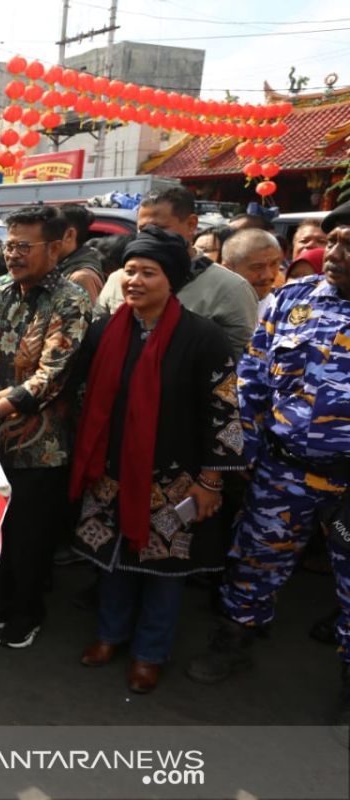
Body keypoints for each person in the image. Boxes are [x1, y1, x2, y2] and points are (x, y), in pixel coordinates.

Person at [186, 201, 350, 726]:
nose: (334, 254)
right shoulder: (291, 301)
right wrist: (243, 454)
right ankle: (235, 637)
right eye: (335, 241)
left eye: (349, 245)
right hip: (283, 471)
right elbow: (252, 383)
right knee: (257, 559)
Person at [71, 227, 242, 694]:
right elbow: (77, 389)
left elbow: (224, 413)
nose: (135, 281)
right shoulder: (105, 330)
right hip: (109, 472)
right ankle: (110, 635)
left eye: (149, 272)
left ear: (173, 281)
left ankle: (150, 653)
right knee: (113, 560)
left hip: (174, 479)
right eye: (129, 271)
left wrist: (209, 482)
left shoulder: (203, 338)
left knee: (165, 573)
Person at [0, 205, 93, 649]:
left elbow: (53, 374)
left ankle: (26, 613)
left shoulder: (71, 300)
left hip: (42, 442)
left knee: (30, 535)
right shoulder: (1, 294)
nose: (12, 254)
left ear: (54, 247)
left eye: (23, 247)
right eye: (8, 245)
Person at [95, 188, 259, 355]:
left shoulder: (231, 288)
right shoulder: (119, 279)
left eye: (160, 228)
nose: (150, 236)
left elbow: (240, 361)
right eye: (143, 230)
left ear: (191, 224)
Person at [57, 205, 106, 303]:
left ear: (70, 235)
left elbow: (88, 316)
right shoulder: (63, 266)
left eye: (50, 231)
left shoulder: (81, 278)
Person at [221, 228, 283, 302]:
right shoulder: (208, 307)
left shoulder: (289, 305)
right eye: (257, 267)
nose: (268, 275)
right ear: (228, 269)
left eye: (274, 264)